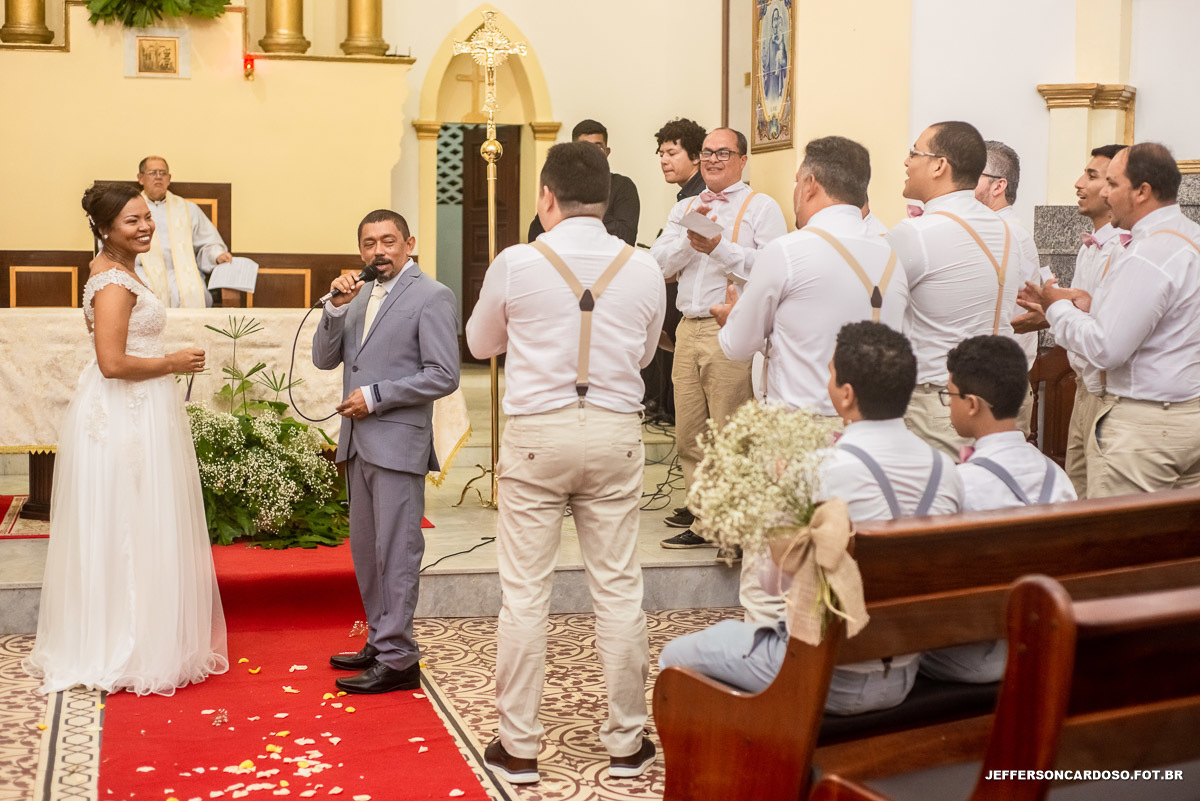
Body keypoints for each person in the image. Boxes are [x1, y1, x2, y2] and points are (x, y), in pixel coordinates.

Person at [466, 142, 666, 783]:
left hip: (537, 435)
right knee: (619, 589)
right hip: (614, 431)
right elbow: (643, 356)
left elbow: (479, 343)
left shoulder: (517, 261)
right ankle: (627, 744)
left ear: (546, 197)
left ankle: (519, 747)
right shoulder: (643, 266)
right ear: (605, 198)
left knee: (526, 593)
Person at [659, 322, 961, 713]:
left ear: (846, 394)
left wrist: (776, 493)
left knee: (674, 656)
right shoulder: (945, 470)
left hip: (826, 674)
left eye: (830, 374)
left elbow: (772, 585)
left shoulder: (819, 470)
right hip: (904, 670)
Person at [24, 182, 228, 696]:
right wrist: (172, 362)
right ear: (104, 228)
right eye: (131, 220)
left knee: (139, 517)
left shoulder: (122, 269)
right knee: (129, 520)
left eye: (146, 217)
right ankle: (125, 644)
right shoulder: (113, 280)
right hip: (123, 413)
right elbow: (112, 363)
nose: (145, 226)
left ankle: (144, 636)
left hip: (141, 407)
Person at [312, 210, 460, 694]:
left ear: (409, 243)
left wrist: (376, 396)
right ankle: (380, 639)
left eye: (388, 241)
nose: (379, 251)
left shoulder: (432, 295)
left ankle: (399, 658)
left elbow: (444, 374)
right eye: (369, 243)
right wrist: (335, 310)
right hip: (357, 443)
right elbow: (324, 359)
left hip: (397, 441)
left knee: (397, 550)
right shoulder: (356, 295)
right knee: (366, 549)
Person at [1025, 143, 1200, 497]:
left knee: (1118, 530)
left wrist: (1057, 308)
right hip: (1188, 415)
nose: (1104, 193)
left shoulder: (1147, 253)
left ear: (1142, 191)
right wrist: (1094, 306)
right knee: (1179, 529)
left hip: (1145, 429)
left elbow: (1106, 349)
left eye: (1113, 183)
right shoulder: (1190, 236)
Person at [651, 127, 787, 553]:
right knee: (689, 433)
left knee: (731, 431)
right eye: (707, 152)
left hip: (730, 327)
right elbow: (659, 264)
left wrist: (719, 248)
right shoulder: (686, 206)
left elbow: (773, 268)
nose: (712, 159)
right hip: (687, 328)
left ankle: (736, 525)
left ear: (743, 159)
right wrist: (692, 242)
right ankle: (705, 518)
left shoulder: (761, 207)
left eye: (723, 153)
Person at [714, 135, 909, 414]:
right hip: (870, 421)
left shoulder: (787, 251)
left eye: (797, 181)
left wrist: (732, 320)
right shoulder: (891, 255)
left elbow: (737, 346)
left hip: (802, 424)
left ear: (810, 185)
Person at [921, 335, 1075, 683]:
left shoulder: (960, 483)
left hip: (974, 656)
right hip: (1043, 640)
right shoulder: (1056, 476)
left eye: (949, 395)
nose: (948, 405)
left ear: (972, 404)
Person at [886, 121, 1023, 459]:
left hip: (937, 405)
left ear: (939, 165)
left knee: (937, 493)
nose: (906, 162)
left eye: (914, 153)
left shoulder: (917, 233)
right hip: (994, 405)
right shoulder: (1006, 230)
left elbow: (874, 308)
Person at [1014, 145, 1128, 498]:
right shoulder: (1089, 247)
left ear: (1117, 186)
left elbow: (1114, 326)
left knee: (1103, 494)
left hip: (1110, 392)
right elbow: (1085, 312)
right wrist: (1047, 313)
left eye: (1092, 176)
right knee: (1079, 489)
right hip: (1084, 386)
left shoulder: (1125, 249)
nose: (1079, 183)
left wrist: (1056, 308)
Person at [643, 117, 708, 426]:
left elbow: (678, 258)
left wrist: (670, 258)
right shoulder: (685, 198)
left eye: (672, 153)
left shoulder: (705, 196)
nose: (664, 160)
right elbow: (659, 260)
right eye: (661, 154)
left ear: (695, 156)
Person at [973, 140, 1040, 435]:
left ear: (999, 186)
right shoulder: (989, 231)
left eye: (973, 175)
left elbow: (1011, 307)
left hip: (998, 381)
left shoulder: (1010, 235)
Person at [134, 156, 233, 308]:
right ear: (140, 178)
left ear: (169, 179)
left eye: (162, 173)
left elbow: (208, 242)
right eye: (152, 172)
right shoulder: (130, 209)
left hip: (183, 272)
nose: (158, 177)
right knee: (146, 295)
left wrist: (217, 255)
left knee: (194, 292)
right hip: (144, 271)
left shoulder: (188, 209)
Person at [527, 119, 640, 246]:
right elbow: (535, 235)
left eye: (598, 148)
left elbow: (627, 237)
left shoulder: (623, 186)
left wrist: (590, 206)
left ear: (607, 152)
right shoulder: (560, 185)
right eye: (584, 148)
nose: (591, 155)